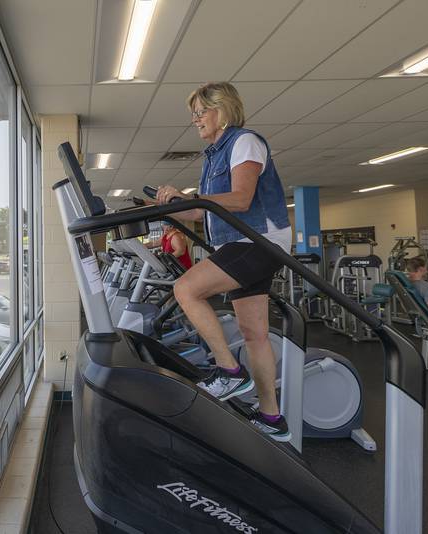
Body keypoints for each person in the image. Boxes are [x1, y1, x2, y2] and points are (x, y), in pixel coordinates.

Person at [153, 82, 292, 441]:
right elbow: (206, 213)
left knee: (186, 289)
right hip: (242, 241)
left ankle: (228, 371)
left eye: (201, 112)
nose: (196, 120)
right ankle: (271, 416)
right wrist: (175, 207)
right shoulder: (214, 154)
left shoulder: (244, 141)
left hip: (257, 240)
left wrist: (191, 197)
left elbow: (242, 199)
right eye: (193, 115)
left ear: (222, 110)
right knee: (254, 334)